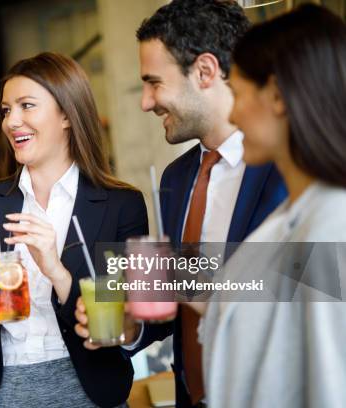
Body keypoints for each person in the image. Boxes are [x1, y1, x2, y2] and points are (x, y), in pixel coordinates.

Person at [74, 1, 286, 407]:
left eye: (154, 82)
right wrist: (132, 323)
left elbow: (300, 284)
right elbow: (172, 308)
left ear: (205, 71)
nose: (145, 101)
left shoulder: (287, 167)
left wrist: (170, 274)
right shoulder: (175, 179)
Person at [0, 52, 149, 407]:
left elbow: (134, 320)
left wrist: (58, 272)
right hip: (3, 394)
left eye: (27, 105)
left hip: (90, 392)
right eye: (6, 110)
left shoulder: (123, 205)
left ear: (67, 116)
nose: (12, 121)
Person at [192, 4, 346, 407]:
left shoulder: (331, 225)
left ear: (277, 95)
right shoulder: (293, 218)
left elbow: (331, 387)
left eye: (239, 93)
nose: (234, 113)